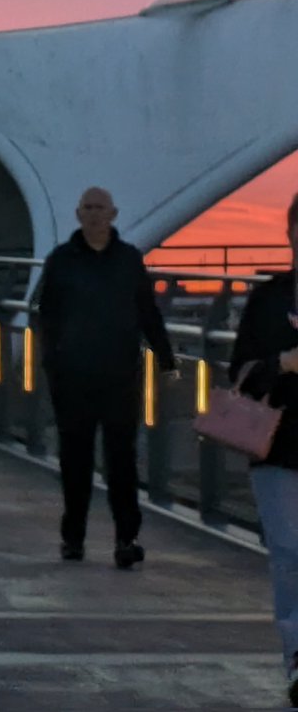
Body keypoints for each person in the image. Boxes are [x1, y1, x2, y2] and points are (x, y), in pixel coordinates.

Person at [38, 187, 177, 568]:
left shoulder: (129, 260)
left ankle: (126, 539)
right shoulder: (62, 260)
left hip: (120, 377)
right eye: (89, 208)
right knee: (76, 462)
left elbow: (148, 312)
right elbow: (46, 316)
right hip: (74, 379)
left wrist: (166, 360)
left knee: (122, 462)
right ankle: (73, 537)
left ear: (113, 214)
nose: (96, 215)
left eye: (101, 209)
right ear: (78, 213)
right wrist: (53, 365)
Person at [228, 191, 298, 707]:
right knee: (290, 556)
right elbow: (242, 374)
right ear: (291, 234)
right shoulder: (269, 299)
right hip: (278, 448)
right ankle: (297, 659)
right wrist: (286, 363)